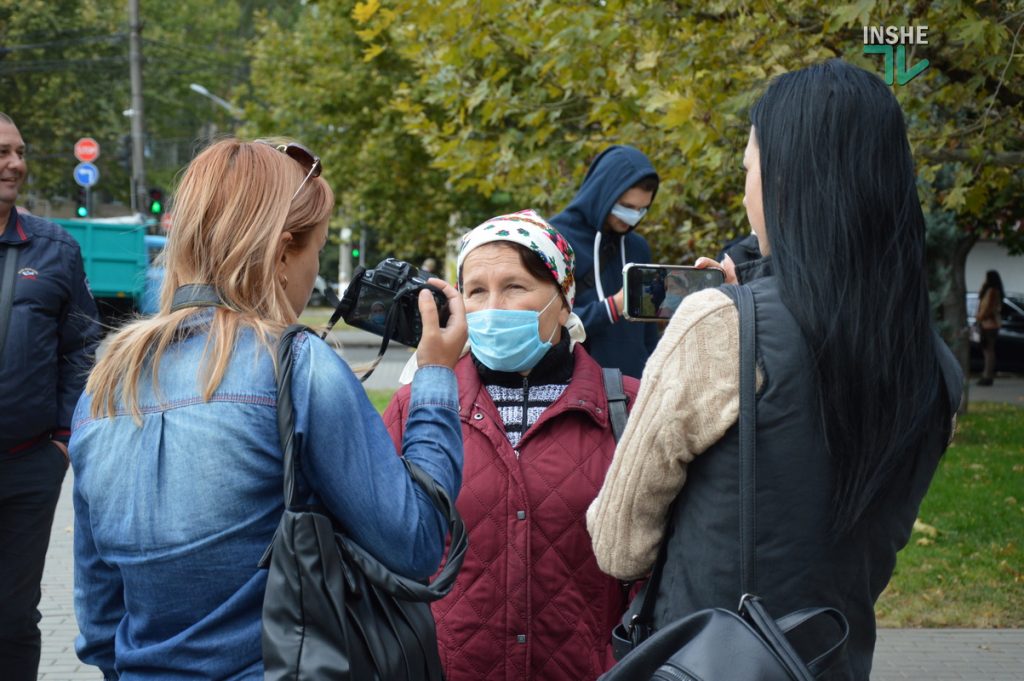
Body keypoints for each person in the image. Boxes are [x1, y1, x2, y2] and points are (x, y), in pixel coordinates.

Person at [587, 60, 962, 681]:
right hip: (831, 660)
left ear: (786, 178)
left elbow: (617, 544)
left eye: (748, 170)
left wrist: (732, 314)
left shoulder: (718, 325)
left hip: (705, 662)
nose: (744, 193)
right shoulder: (937, 367)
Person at [69, 138, 468, 680]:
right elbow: (416, 543)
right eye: (317, 251)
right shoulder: (297, 365)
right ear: (282, 251)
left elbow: (98, 620)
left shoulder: (105, 385)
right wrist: (437, 376)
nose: (313, 271)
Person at [384, 210, 640, 681]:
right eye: (476, 291)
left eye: (515, 287)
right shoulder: (415, 406)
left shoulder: (629, 405)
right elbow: (380, 556)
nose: (492, 307)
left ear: (564, 302)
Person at [0, 113, 101, 680]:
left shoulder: (54, 247)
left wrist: (62, 440)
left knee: (13, 618)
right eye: (1, 153)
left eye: (19, 151)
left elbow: (83, 349)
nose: (15, 164)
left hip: (25, 469)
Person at [550, 145, 660, 379]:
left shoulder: (638, 247)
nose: (633, 217)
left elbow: (649, 334)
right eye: (627, 207)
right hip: (576, 389)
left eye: (643, 209)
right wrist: (613, 307)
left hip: (634, 390)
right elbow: (547, 326)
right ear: (602, 194)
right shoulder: (554, 239)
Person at [976, 269, 1004, 386]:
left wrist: (980, 317)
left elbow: (989, 307)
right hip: (989, 323)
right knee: (988, 351)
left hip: (989, 324)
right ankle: (987, 374)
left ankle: (987, 375)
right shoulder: (993, 290)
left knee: (988, 351)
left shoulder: (992, 291)